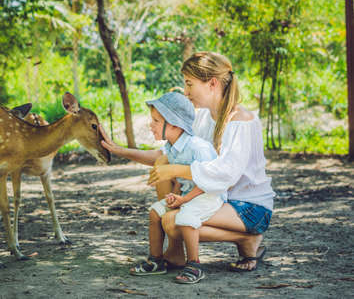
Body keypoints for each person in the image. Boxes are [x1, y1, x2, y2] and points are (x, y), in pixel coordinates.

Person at [99, 51, 275, 273]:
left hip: (248, 207)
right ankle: (174, 252)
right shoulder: (202, 117)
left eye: (190, 84)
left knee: (173, 222)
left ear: (212, 83)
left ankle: (245, 239)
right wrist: (119, 150)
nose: (186, 91)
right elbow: (167, 155)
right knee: (163, 167)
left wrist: (177, 169)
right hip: (216, 198)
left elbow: (226, 173)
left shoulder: (241, 121)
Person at [128, 92, 225, 284]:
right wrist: (177, 195)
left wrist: (185, 201)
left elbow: (209, 182)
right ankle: (156, 261)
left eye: (156, 120)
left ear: (173, 123)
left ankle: (194, 265)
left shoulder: (199, 147)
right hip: (189, 194)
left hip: (208, 195)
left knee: (185, 217)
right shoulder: (172, 147)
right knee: (156, 212)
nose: (151, 125)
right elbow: (181, 177)